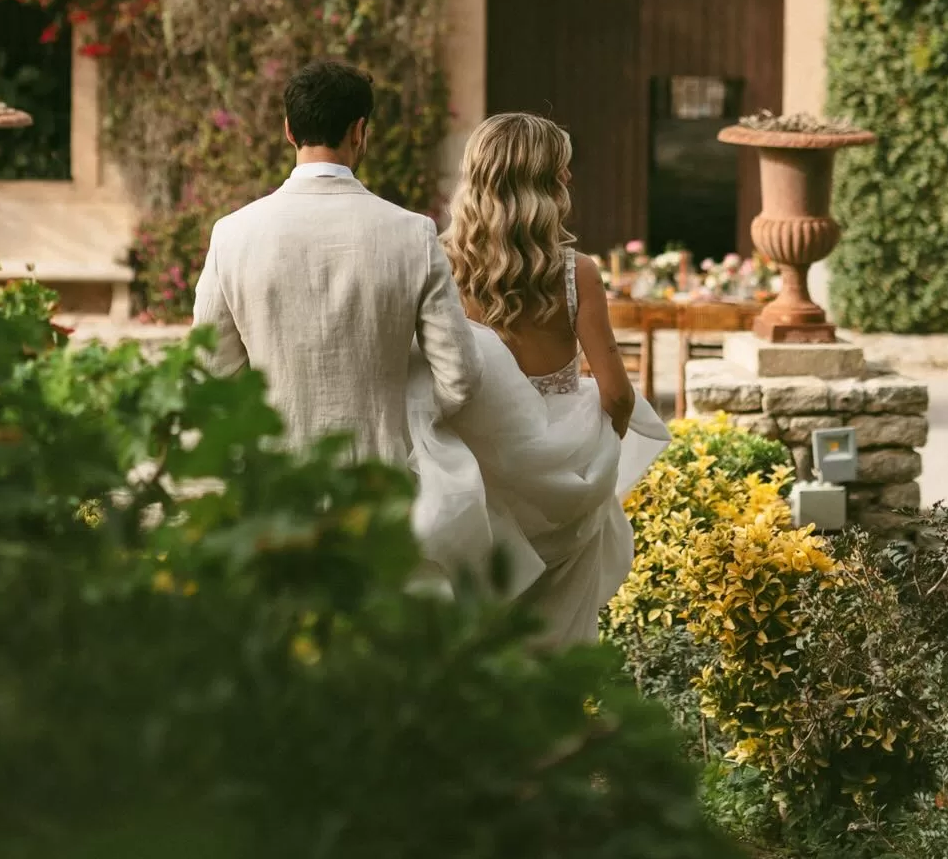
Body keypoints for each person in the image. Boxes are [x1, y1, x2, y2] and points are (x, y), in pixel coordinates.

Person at [409, 112, 669, 646]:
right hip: (565, 489)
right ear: (541, 183)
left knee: (482, 646)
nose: (570, 179)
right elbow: (618, 393)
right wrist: (588, 456)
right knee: (556, 655)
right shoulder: (577, 274)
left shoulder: (435, 263)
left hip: (476, 481)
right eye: (561, 169)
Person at [193, 58, 482, 464]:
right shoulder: (413, 233)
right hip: (380, 477)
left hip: (274, 478)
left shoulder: (232, 234)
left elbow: (212, 367)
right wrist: (401, 422)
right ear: (360, 131)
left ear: (289, 130)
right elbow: (460, 377)